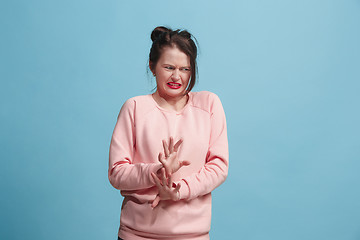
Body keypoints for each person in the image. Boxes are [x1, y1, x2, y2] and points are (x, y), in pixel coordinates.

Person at [109, 26, 229, 240]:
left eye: (185, 69)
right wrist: (158, 171)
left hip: (192, 235)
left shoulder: (209, 104)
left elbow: (219, 166)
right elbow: (117, 173)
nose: (177, 76)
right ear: (152, 66)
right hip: (137, 234)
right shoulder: (135, 107)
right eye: (169, 67)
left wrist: (178, 190)